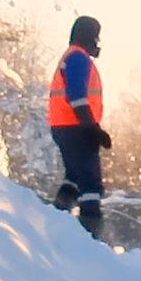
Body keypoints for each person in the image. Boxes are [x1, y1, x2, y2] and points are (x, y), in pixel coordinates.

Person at [48, 16, 111, 239]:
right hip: (75, 126)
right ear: (89, 36)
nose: (98, 42)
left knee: (74, 177)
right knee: (90, 182)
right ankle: (91, 239)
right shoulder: (77, 58)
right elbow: (76, 94)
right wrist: (90, 127)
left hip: (66, 125)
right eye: (96, 37)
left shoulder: (72, 56)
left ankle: (53, 220)